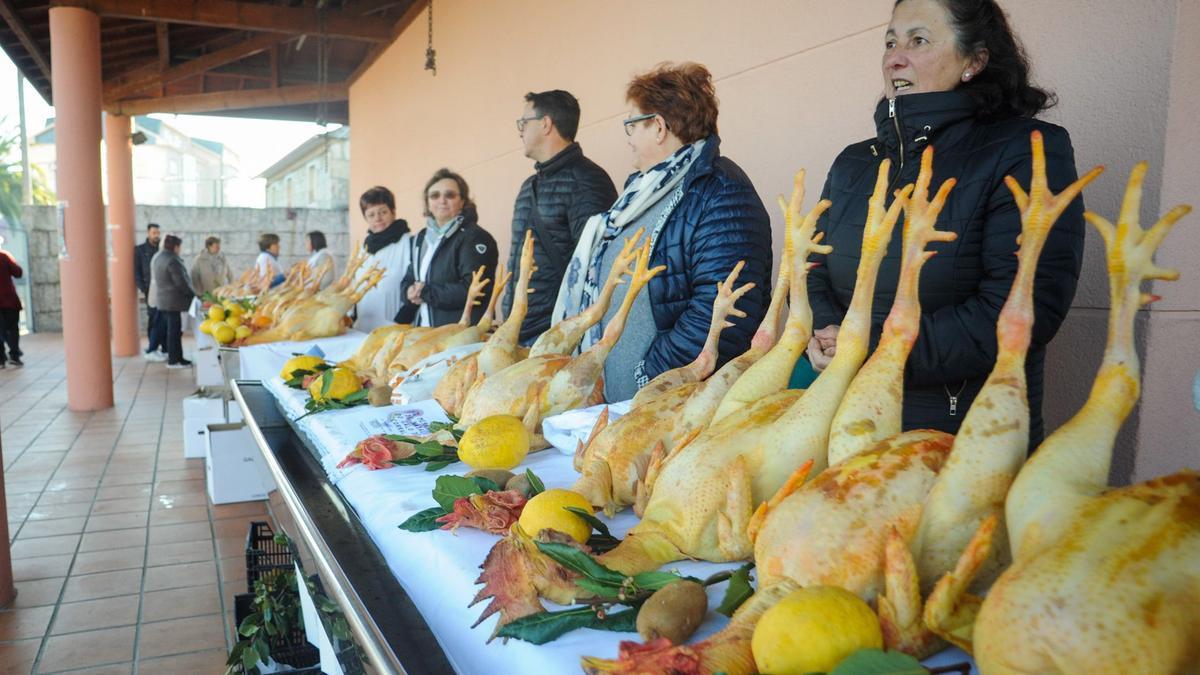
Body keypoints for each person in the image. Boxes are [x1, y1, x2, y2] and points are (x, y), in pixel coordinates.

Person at [804, 0, 1087, 444]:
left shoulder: (1025, 151)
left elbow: (1019, 309)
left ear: (974, 61)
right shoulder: (854, 162)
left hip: (960, 439)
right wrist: (826, 334)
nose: (895, 56)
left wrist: (869, 349)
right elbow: (812, 267)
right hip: (844, 421)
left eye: (918, 40)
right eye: (890, 42)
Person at [553, 62, 773, 402]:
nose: (627, 138)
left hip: (673, 407)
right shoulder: (640, 194)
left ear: (658, 127)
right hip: (620, 407)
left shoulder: (720, 191)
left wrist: (647, 377)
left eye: (631, 124)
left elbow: (720, 316)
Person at [502, 90, 618, 344]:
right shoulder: (528, 187)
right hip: (518, 331)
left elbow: (595, 266)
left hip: (556, 335)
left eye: (524, 123)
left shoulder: (587, 180)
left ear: (545, 124)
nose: (520, 131)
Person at [395, 169, 499, 327]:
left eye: (449, 195)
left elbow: (475, 290)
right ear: (427, 202)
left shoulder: (475, 238)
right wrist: (408, 292)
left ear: (462, 201)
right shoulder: (420, 238)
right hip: (426, 333)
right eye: (435, 195)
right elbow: (410, 277)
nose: (442, 200)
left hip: (462, 336)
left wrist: (425, 293)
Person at [353, 186, 412, 331]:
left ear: (393, 212)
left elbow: (414, 284)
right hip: (363, 329)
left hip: (395, 329)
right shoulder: (364, 249)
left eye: (383, 212)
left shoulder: (408, 243)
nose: (377, 218)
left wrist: (400, 322)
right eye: (371, 215)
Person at [152, 234, 196, 368]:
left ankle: (176, 358)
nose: (180, 249)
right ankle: (175, 360)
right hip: (173, 302)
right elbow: (180, 282)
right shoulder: (172, 260)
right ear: (176, 246)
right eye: (180, 246)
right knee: (174, 332)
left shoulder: (159, 257)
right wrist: (192, 294)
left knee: (172, 331)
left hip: (164, 301)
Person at [134, 223, 166, 360]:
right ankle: (152, 348)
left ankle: (164, 347)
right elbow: (137, 272)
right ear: (148, 233)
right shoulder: (140, 250)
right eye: (154, 233)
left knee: (164, 319)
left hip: (164, 290)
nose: (157, 235)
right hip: (150, 290)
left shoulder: (163, 250)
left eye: (158, 233)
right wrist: (143, 288)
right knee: (153, 318)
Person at [0, 235, 23, 368]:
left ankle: (1, 359)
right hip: (9, 301)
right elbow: (18, 272)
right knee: (12, 329)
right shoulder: (4, 256)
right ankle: (14, 356)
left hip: (8, 301)